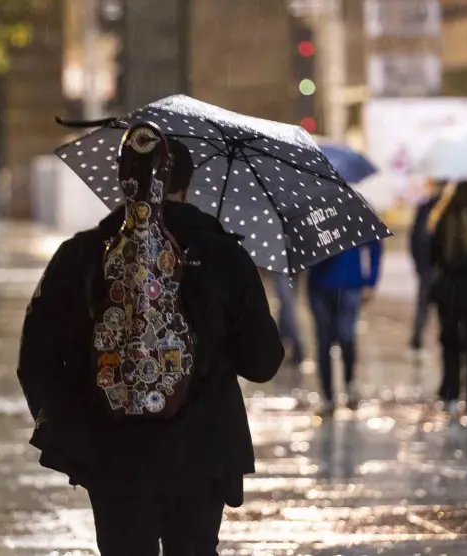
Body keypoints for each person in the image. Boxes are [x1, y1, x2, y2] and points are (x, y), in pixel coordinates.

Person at [17, 132, 283, 555]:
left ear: (122, 179)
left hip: (112, 454)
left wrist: (69, 428)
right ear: (187, 183)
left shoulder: (81, 254)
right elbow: (263, 362)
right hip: (202, 452)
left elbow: (35, 360)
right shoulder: (223, 256)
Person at [427, 181, 467, 422]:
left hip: (449, 294)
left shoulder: (441, 222)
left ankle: (452, 396)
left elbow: (432, 257)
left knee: (450, 345)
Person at [306, 241, 382, 413]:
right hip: (319, 287)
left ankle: (349, 383)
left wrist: (370, 280)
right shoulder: (310, 217)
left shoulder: (354, 215)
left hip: (349, 285)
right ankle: (327, 394)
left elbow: (374, 245)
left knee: (346, 336)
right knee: (324, 342)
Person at [409, 179, 447, 355]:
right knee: (425, 307)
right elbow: (416, 238)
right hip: (431, 267)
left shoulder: (444, 209)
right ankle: (417, 340)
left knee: (428, 307)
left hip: (436, 268)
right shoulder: (427, 208)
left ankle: (439, 340)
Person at [273, 273, 305, 367]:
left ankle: (296, 346)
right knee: (286, 306)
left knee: (287, 306)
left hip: (284, 269)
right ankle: (280, 343)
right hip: (286, 268)